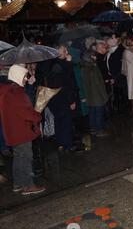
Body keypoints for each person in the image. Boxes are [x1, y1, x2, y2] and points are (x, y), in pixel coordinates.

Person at [0, 65, 45, 195]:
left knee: (19, 157)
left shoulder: (8, 90)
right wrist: (37, 115)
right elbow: (25, 112)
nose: (26, 78)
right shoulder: (16, 93)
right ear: (17, 76)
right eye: (24, 76)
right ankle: (28, 185)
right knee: (26, 157)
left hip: (13, 130)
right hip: (21, 130)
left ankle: (18, 183)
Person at [39, 46, 79, 152]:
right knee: (65, 121)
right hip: (62, 98)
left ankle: (61, 143)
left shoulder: (50, 63)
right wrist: (72, 100)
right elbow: (67, 82)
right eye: (64, 51)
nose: (67, 52)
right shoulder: (60, 64)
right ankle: (67, 144)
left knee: (59, 120)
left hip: (54, 98)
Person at [80, 48, 109, 137]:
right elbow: (97, 82)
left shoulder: (85, 66)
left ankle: (93, 128)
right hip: (96, 94)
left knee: (93, 112)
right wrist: (103, 94)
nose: (95, 57)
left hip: (91, 95)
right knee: (98, 112)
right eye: (93, 55)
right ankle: (99, 129)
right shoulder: (91, 67)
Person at [106, 35, 127, 114]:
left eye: (112, 38)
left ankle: (122, 113)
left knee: (120, 95)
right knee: (116, 95)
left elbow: (121, 67)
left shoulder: (120, 51)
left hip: (119, 78)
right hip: (113, 77)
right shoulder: (110, 51)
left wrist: (114, 78)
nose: (110, 39)